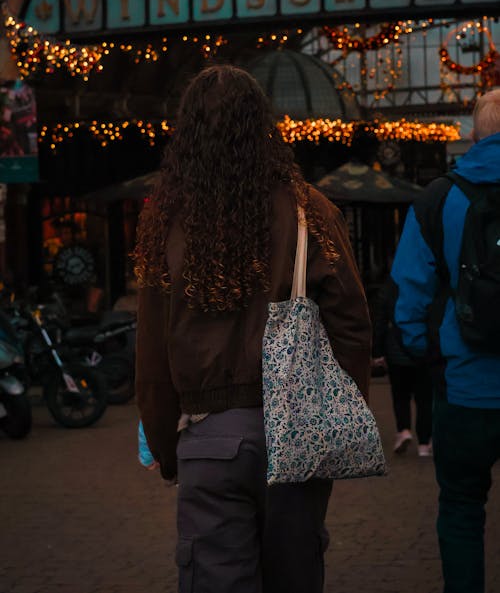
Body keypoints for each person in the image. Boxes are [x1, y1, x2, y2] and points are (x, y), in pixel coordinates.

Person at [133, 65, 372, 593]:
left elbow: (150, 346)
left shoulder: (165, 220)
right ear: (263, 124)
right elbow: (353, 325)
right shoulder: (311, 208)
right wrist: (331, 417)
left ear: (188, 133)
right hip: (296, 438)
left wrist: (163, 442)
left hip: (208, 438)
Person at [391, 89, 500, 593]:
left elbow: (409, 295)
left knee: (460, 508)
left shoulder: (438, 198)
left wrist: (426, 355)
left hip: (462, 385)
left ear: (473, 136)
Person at [372, 277, 433, 456]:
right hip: (422, 350)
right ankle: (424, 442)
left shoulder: (390, 287)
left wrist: (377, 351)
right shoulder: (425, 282)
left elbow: (380, 322)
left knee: (400, 395)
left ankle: (404, 430)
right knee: (424, 399)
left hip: (396, 350)